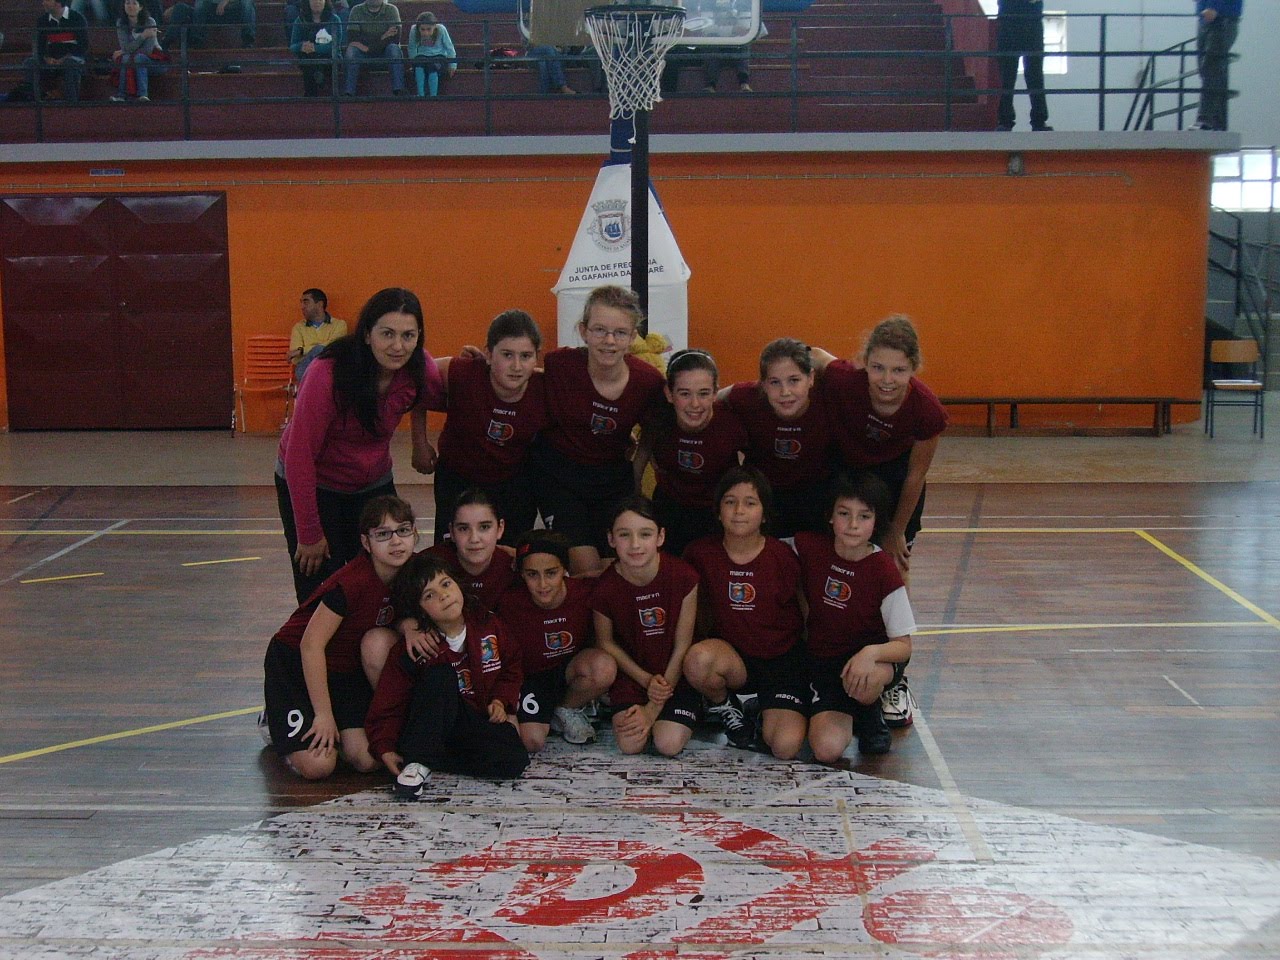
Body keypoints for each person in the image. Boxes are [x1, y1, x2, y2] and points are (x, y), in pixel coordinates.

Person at [275, 286, 444, 604]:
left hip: (372, 483)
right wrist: (309, 534)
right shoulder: (327, 374)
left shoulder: (417, 367)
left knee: (387, 579)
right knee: (321, 587)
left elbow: (436, 391)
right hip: (316, 482)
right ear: (367, 334)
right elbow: (299, 456)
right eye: (387, 334)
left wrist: (419, 441)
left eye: (408, 336)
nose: (398, 346)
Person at [816, 314, 945, 729]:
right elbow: (813, 355)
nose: (887, 380)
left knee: (893, 574)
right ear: (864, 363)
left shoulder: (926, 410)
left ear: (914, 369)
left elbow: (915, 475)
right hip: (847, 478)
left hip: (894, 486)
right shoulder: (845, 380)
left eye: (899, 370)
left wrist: (895, 532)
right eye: (878, 367)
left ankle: (894, 678)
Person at [260, 495, 417, 781]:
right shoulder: (351, 583)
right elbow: (311, 645)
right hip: (296, 664)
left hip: (344, 671)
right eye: (383, 534)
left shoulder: (414, 571)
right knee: (319, 766)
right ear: (366, 543)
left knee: (367, 759)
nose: (396, 541)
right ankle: (273, 719)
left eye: (403, 530)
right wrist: (324, 714)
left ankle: (335, 731)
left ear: (415, 534)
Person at [366, 553, 528, 795]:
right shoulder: (416, 648)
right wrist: (385, 746)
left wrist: (499, 701)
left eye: (446, 584)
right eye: (429, 595)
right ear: (418, 609)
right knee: (441, 676)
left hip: (468, 720)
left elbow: (511, 666)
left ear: (458, 584)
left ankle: (433, 759)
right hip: (427, 726)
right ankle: (418, 760)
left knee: (514, 758)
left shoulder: (488, 624)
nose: (443, 595)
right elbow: (390, 700)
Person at [531, 285, 665, 575]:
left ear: (633, 337)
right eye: (600, 330)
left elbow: (652, 433)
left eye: (620, 333)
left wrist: (636, 473)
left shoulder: (648, 382)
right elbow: (519, 376)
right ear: (583, 331)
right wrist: (480, 362)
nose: (609, 340)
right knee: (585, 566)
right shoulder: (560, 365)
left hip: (611, 479)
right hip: (560, 477)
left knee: (615, 567)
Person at [682, 467, 809, 758]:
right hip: (734, 660)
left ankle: (764, 710)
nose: (739, 511)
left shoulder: (783, 556)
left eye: (750, 503)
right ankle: (725, 705)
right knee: (699, 660)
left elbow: (806, 614)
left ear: (764, 514)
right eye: (730, 502)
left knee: (785, 747)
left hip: (781, 663)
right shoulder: (700, 554)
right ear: (718, 511)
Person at [795, 474, 914, 762]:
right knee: (826, 749)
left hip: (872, 663)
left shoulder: (884, 570)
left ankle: (869, 712)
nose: (853, 525)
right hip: (825, 661)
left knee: (867, 678)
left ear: (876, 522)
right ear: (830, 516)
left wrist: (869, 653)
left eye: (864, 516)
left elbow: (904, 646)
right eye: (844, 514)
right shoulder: (809, 547)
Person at [412, 309, 547, 546]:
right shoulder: (462, 372)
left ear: (537, 357)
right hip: (457, 476)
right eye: (507, 355)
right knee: (451, 552)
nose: (517, 366)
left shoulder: (545, 387)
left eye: (526, 356)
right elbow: (414, 380)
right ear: (489, 354)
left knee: (508, 554)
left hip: (512, 480)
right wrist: (419, 443)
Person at [591, 496, 700, 756]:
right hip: (634, 676)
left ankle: (694, 708)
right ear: (611, 539)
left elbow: (683, 644)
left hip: (675, 675)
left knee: (668, 744)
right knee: (630, 745)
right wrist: (646, 680)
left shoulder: (684, 576)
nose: (635, 544)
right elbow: (605, 642)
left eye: (645, 534)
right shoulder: (604, 588)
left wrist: (652, 709)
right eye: (624, 535)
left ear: (660, 537)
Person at [498, 531, 616, 751]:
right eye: (532, 574)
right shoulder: (509, 603)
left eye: (551, 573)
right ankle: (550, 715)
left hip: (569, 671)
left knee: (603, 667)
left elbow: (620, 571)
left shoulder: (584, 592)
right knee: (532, 741)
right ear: (521, 574)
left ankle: (568, 707)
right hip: (531, 678)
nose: (543, 584)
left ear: (565, 570)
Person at [637, 348, 747, 557]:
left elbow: (749, 474)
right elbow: (638, 464)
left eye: (703, 393)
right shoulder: (658, 419)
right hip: (669, 507)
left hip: (716, 512)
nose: (695, 404)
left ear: (715, 393)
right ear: (669, 394)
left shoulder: (732, 424)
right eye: (685, 394)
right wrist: (637, 509)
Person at [721, 337, 834, 540]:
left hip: (817, 492)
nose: (785, 392)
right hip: (766, 492)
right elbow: (710, 399)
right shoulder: (748, 397)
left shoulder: (828, 398)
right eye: (775, 382)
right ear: (763, 384)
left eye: (794, 380)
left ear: (811, 378)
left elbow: (854, 375)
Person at [424, 488, 516, 613]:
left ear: (500, 528)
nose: (474, 539)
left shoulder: (515, 567)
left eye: (484, 527)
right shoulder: (428, 564)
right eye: (463, 528)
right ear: (451, 532)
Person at [994, 0, 1051, 132]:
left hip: (1017, 19)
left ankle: (1008, 120)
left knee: (1027, 74)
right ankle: (1036, 120)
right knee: (1012, 75)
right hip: (1019, 20)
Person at [24, 0, 88, 104]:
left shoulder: (77, 18)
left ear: (58, 2)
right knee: (30, 63)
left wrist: (64, 59)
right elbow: (39, 48)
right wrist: (46, 58)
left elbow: (83, 47)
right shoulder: (42, 21)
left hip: (72, 58)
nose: (43, 3)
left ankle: (72, 104)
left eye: (47, 0)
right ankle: (34, 102)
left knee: (70, 63)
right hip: (50, 61)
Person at [1193, 0, 1242, 131]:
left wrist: (1215, 8)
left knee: (1211, 68)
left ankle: (1206, 119)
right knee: (1206, 70)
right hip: (1206, 20)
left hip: (1222, 19)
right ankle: (1214, 118)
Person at [343, 0, 405, 96]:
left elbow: (395, 39)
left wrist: (368, 47)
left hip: (385, 54)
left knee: (393, 48)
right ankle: (348, 93)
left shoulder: (392, 10)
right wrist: (383, 36)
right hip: (362, 55)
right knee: (351, 51)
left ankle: (399, 90)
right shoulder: (356, 10)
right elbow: (353, 38)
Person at [111, 0, 161, 102]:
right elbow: (125, 47)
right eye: (127, 3)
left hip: (153, 60)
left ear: (140, 7)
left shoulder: (150, 22)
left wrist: (127, 50)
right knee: (126, 57)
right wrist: (143, 36)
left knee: (137, 57)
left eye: (134, 3)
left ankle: (143, 95)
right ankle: (121, 96)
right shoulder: (121, 22)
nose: (130, 6)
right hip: (132, 59)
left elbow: (147, 50)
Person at [289, 0, 342, 98]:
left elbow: (335, 45)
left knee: (316, 64)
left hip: (330, 57)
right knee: (308, 61)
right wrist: (302, 46)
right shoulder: (300, 20)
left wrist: (315, 48)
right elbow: (292, 46)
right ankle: (311, 96)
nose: (317, 2)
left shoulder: (334, 19)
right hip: (308, 57)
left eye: (320, 0)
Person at [288, 288, 346, 376]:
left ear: (319, 304)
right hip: (306, 369)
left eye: (306, 302)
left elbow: (334, 347)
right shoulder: (299, 327)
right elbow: (295, 358)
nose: (302, 307)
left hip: (330, 367)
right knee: (319, 350)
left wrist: (302, 350)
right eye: (301, 303)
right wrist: (318, 350)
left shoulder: (339, 325)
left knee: (321, 351)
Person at [407, 11, 454, 97]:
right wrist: (413, 63)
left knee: (432, 66)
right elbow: (412, 47)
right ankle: (420, 94)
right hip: (422, 54)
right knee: (418, 64)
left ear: (434, 26)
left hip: (439, 55)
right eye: (422, 29)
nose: (426, 33)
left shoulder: (441, 29)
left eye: (429, 29)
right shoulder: (413, 30)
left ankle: (433, 95)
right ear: (418, 28)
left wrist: (452, 65)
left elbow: (449, 48)